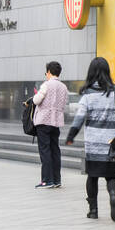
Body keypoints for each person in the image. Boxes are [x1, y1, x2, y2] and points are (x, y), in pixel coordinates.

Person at [65, 57, 115, 221]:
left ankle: (93, 210)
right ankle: (114, 195)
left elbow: (79, 118)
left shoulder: (87, 95)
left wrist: (71, 136)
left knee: (92, 176)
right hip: (111, 144)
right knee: (111, 176)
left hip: (93, 144)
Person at [31, 61, 68, 189]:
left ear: (49, 72)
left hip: (44, 121)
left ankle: (47, 180)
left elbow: (36, 100)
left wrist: (36, 95)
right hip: (56, 122)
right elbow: (64, 103)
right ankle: (57, 180)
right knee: (55, 151)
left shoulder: (46, 84)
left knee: (45, 151)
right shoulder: (63, 87)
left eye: (46, 72)